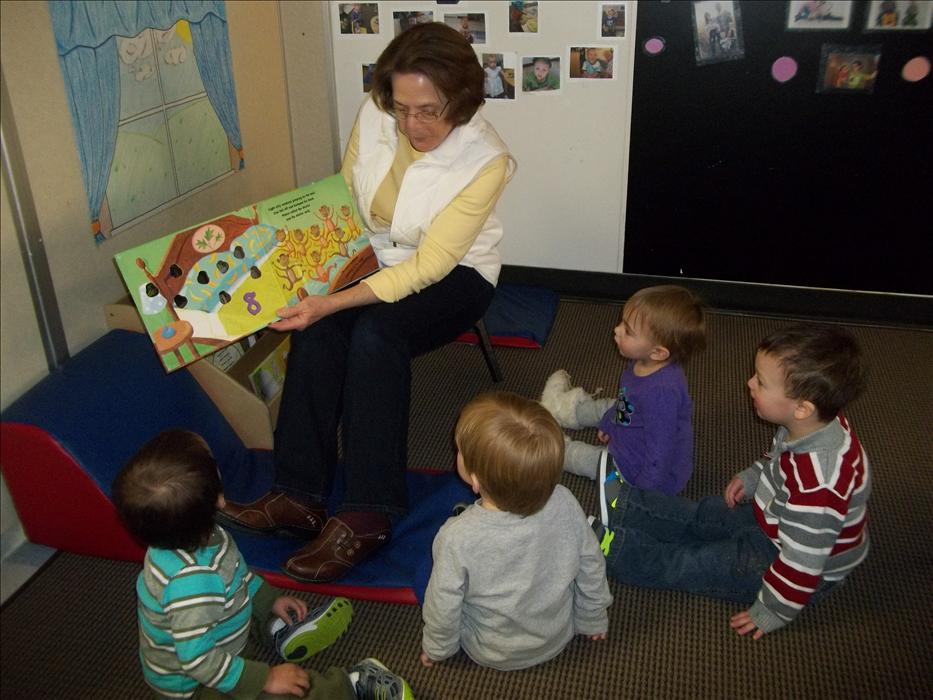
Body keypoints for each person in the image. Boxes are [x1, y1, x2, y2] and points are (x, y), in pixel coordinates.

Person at [218, 22, 515, 584]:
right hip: (374, 256)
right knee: (318, 328)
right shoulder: (377, 112)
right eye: (402, 108)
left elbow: (428, 267)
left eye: (429, 110)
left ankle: (368, 511)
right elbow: (343, 197)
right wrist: (313, 274)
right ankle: (298, 494)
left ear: (464, 99)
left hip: (456, 274)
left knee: (376, 334)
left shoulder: (487, 160)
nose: (411, 124)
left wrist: (334, 302)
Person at [591, 324, 871, 638]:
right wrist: (754, 477)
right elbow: (780, 458)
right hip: (776, 519)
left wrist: (772, 610)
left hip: (787, 561)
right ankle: (628, 506)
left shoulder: (819, 489)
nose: (749, 383)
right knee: (706, 514)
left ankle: (615, 548)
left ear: (803, 408)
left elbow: (802, 564)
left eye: (761, 382)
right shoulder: (812, 426)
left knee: (695, 562)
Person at [112, 430, 414, 699]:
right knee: (283, 692)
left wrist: (269, 599)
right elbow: (198, 661)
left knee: (240, 604)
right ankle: (348, 685)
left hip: (219, 630)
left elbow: (236, 576)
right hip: (199, 685)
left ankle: (278, 628)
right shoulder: (192, 584)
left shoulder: (184, 532)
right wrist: (266, 677)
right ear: (218, 499)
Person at [420, 393, 612, 670]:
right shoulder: (565, 501)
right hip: (558, 634)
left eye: (459, 450)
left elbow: (443, 605)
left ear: (475, 480)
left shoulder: (456, 537)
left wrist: (438, 649)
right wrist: (592, 618)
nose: (456, 452)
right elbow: (591, 564)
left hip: (490, 650)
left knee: (430, 575)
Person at [540, 285, 706, 497]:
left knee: (590, 461)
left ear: (658, 352)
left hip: (638, 471)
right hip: (634, 425)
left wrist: (642, 494)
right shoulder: (643, 363)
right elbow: (625, 402)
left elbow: (659, 454)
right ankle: (563, 410)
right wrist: (610, 422)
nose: (616, 330)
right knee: (608, 406)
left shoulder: (661, 396)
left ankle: (553, 449)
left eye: (627, 330)